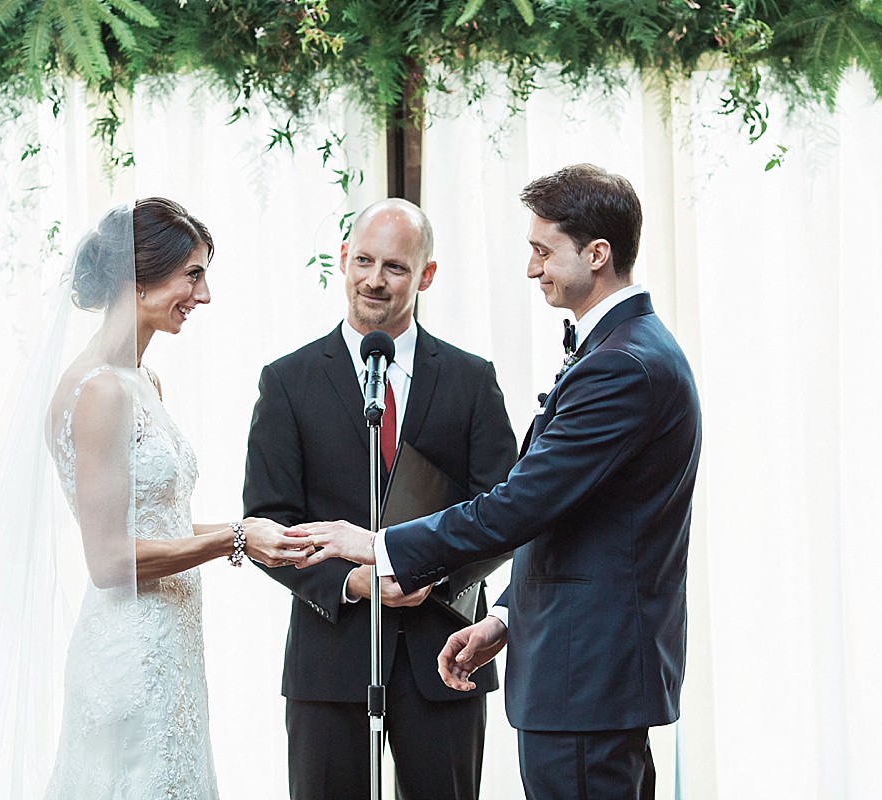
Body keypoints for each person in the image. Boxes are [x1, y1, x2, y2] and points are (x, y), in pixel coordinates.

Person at [298, 165, 703, 800]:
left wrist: (379, 545)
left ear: (597, 254)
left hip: (585, 678)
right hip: (581, 672)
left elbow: (519, 505)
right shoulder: (624, 352)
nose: (531, 268)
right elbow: (579, 522)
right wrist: (508, 618)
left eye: (543, 251)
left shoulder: (623, 367)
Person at [243, 198, 518, 800]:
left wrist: (427, 573)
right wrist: (356, 581)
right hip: (328, 659)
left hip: (445, 655)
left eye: (395, 267)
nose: (374, 279)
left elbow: (504, 511)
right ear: (342, 260)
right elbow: (269, 519)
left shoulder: (472, 381)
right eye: (363, 260)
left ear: (426, 276)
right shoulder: (286, 382)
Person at [42, 198, 311, 798]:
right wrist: (234, 537)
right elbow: (110, 562)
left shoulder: (143, 383)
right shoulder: (102, 393)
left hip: (171, 645)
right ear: (139, 278)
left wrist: (260, 535)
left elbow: (158, 522)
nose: (205, 294)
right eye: (193, 274)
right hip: (130, 653)